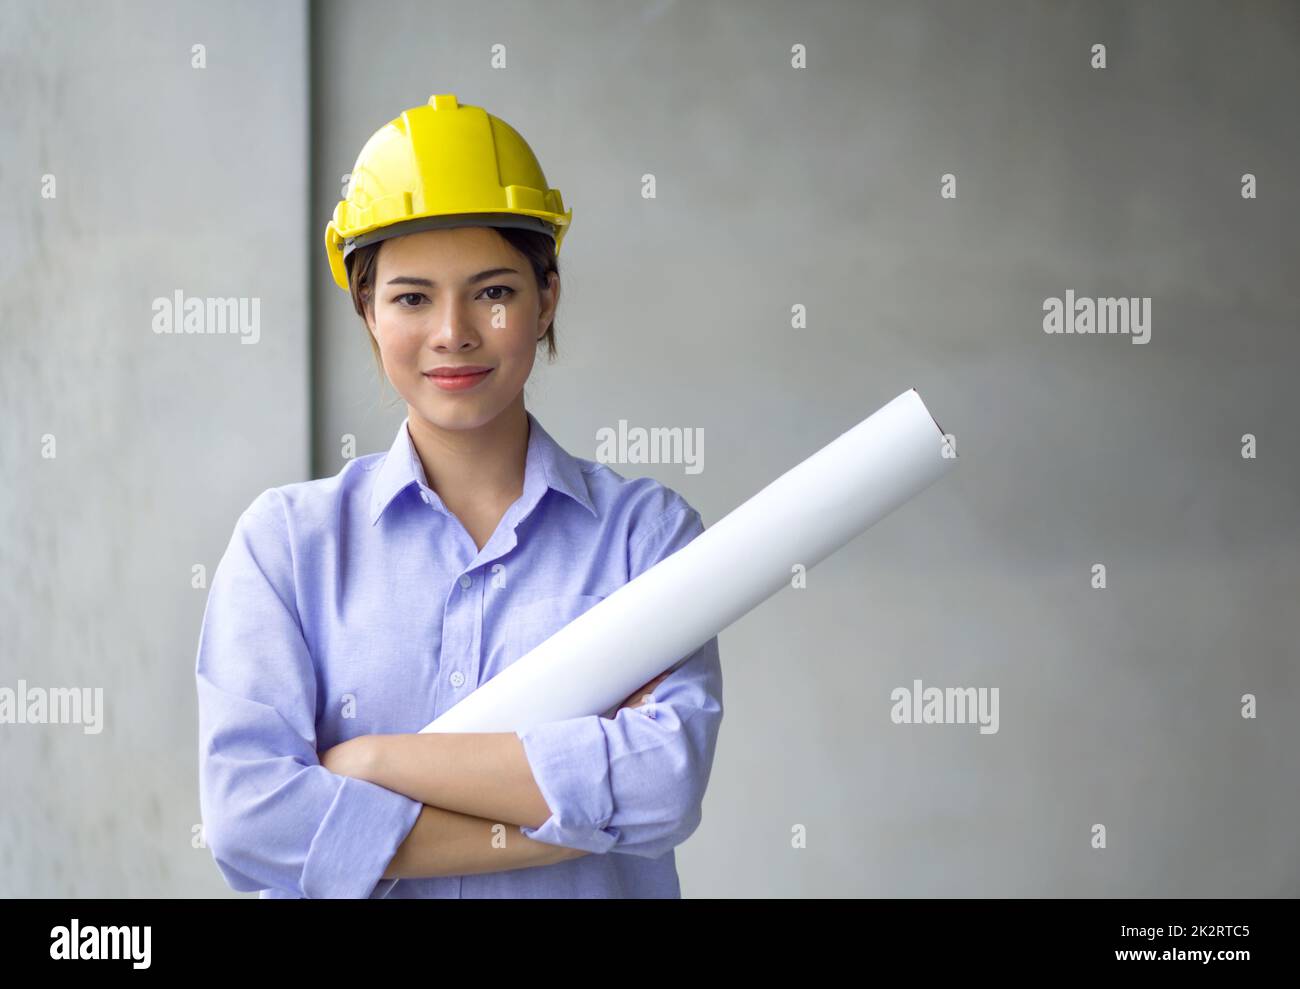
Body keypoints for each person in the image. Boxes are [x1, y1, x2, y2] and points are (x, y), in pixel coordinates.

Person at [194, 94, 724, 898]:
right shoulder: (286, 547)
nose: (453, 332)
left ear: (547, 296)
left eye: (493, 291)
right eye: (411, 297)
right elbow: (251, 820)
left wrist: (375, 762)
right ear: (366, 311)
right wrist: (562, 823)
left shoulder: (645, 540)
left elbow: (663, 785)